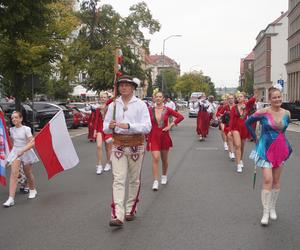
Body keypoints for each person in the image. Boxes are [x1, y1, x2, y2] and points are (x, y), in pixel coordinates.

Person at [103, 75, 151, 227]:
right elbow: (105, 127)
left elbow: (147, 127)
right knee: (118, 179)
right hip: (118, 145)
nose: (123, 87)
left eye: (126, 85)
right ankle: (118, 214)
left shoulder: (140, 105)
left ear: (133, 88)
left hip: (136, 145)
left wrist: (129, 126)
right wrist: (109, 126)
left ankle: (131, 208)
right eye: (121, 85)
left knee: (134, 179)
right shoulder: (113, 105)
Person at [245, 86, 292, 226]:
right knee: (267, 179)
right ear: (269, 99)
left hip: (280, 149)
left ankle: (272, 207)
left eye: (279, 97)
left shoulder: (287, 113)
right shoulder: (263, 112)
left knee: (276, 181)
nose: (277, 99)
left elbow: (284, 130)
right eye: (274, 97)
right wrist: (255, 138)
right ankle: (265, 212)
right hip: (265, 149)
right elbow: (248, 122)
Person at [147, 91, 184, 191]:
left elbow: (180, 117)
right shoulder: (149, 110)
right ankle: (155, 181)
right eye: (156, 97)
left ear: (163, 99)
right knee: (155, 158)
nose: (158, 98)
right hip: (154, 136)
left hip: (164, 136)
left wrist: (170, 125)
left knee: (164, 159)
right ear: (154, 98)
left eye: (160, 97)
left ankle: (164, 175)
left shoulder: (167, 110)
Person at [3, 111, 39, 207]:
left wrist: (23, 150)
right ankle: (11, 198)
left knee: (28, 173)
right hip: (16, 152)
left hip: (26, 151)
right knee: (14, 174)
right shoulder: (11, 130)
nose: (14, 119)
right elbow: (13, 142)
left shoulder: (26, 129)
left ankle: (32, 189)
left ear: (21, 119)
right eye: (12, 118)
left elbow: (32, 143)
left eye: (16, 117)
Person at [229, 91, 257, 172]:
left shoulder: (247, 106)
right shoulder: (234, 108)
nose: (239, 98)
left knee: (242, 146)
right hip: (235, 128)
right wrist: (230, 130)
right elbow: (231, 119)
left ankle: (240, 159)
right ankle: (238, 165)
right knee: (237, 145)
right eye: (238, 97)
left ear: (244, 98)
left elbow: (252, 100)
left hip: (244, 128)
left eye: (241, 96)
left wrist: (255, 94)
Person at [93, 92, 113, 174]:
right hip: (99, 129)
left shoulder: (110, 107)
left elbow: (113, 97)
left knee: (108, 148)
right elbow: (96, 120)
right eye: (101, 97)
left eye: (105, 97)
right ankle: (99, 165)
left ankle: (108, 163)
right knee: (98, 146)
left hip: (108, 129)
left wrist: (110, 93)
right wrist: (94, 130)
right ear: (100, 99)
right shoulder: (98, 109)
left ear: (107, 99)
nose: (103, 99)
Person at [217, 94, 235, 160]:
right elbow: (219, 114)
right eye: (229, 98)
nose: (231, 99)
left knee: (234, 141)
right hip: (227, 125)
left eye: (232, 98)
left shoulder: (236, 106)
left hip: (235, 125)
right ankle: (231, 153)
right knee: (230, 139)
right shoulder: (225, 107)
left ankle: (231, 150)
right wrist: (221, 116)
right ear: (228, 100)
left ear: (234, 99)